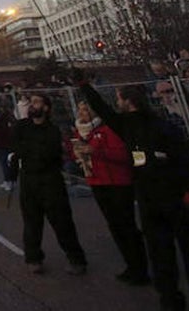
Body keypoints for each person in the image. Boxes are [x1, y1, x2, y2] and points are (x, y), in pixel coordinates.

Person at [79, 79, 189, 310]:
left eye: (119, 98)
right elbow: (103, 110)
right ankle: (170, 298)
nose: (117, 103)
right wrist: (84, 85)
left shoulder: (162, 126)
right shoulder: (127, 125)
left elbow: (186, 160)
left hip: (175, 196)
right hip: (149, 198)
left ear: (128, 101)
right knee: (160, 253)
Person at [69, 101, 149, 285]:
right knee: (115, 226)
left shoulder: (110, 129)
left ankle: (140, 267)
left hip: (117, 182)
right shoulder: (80, 132)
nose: (83, 113)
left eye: (86, 109)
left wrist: (96, 151)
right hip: (97, 181)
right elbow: (76, 154)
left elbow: (124, 155)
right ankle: (131, 264)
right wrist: (77, 153)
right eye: (80, 109)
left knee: (126, 226)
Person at [8, 92, 87, 275]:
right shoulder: (22, 126)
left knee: (62, 222)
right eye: (31, 102)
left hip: (50, 180)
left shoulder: (52, 130)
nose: (31, 105)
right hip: (29, 179)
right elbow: (15, 146)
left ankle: (76, 259)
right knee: (31, 223)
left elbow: (48, 153)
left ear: (45, 107)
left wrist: (26, 151)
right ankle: (34, 258)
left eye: (36, 102)